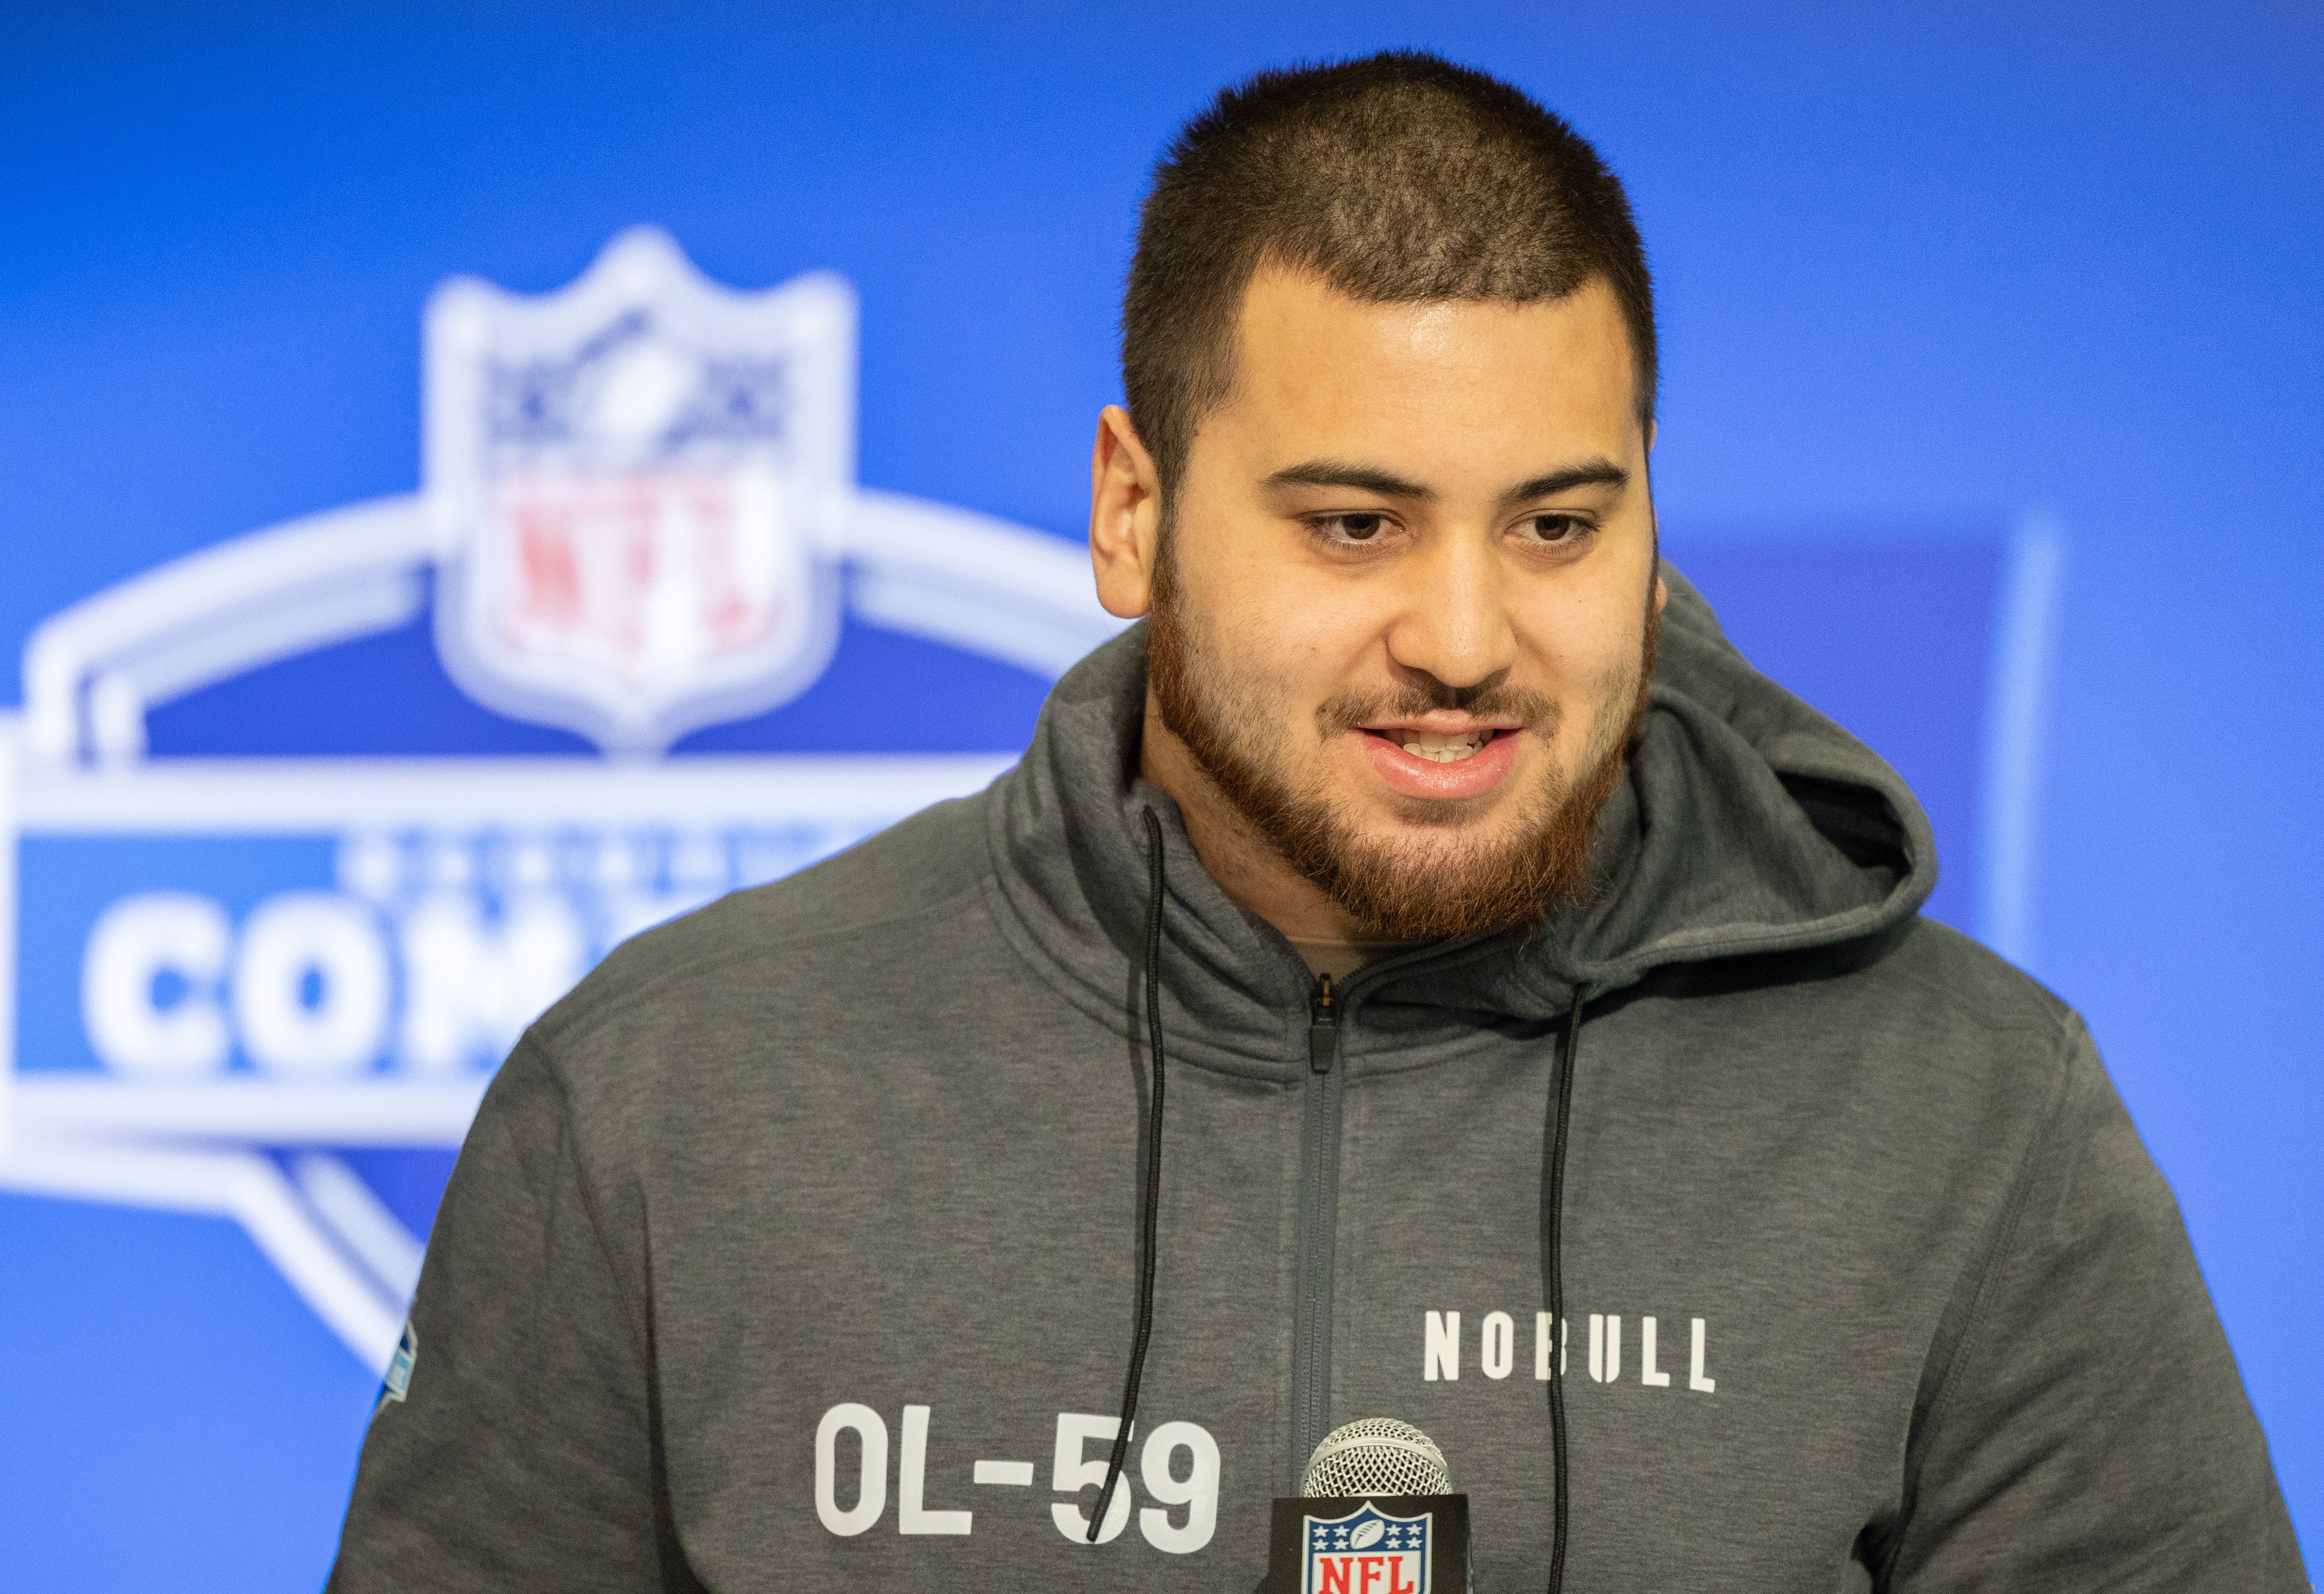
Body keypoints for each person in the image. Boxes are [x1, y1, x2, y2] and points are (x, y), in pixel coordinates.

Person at [328, 51, 2305, 1591]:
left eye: (1556, 523)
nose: (1463, 636)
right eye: (1352, 523)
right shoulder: (674, 1093)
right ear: (1132, 510)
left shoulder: (1966, 1118)